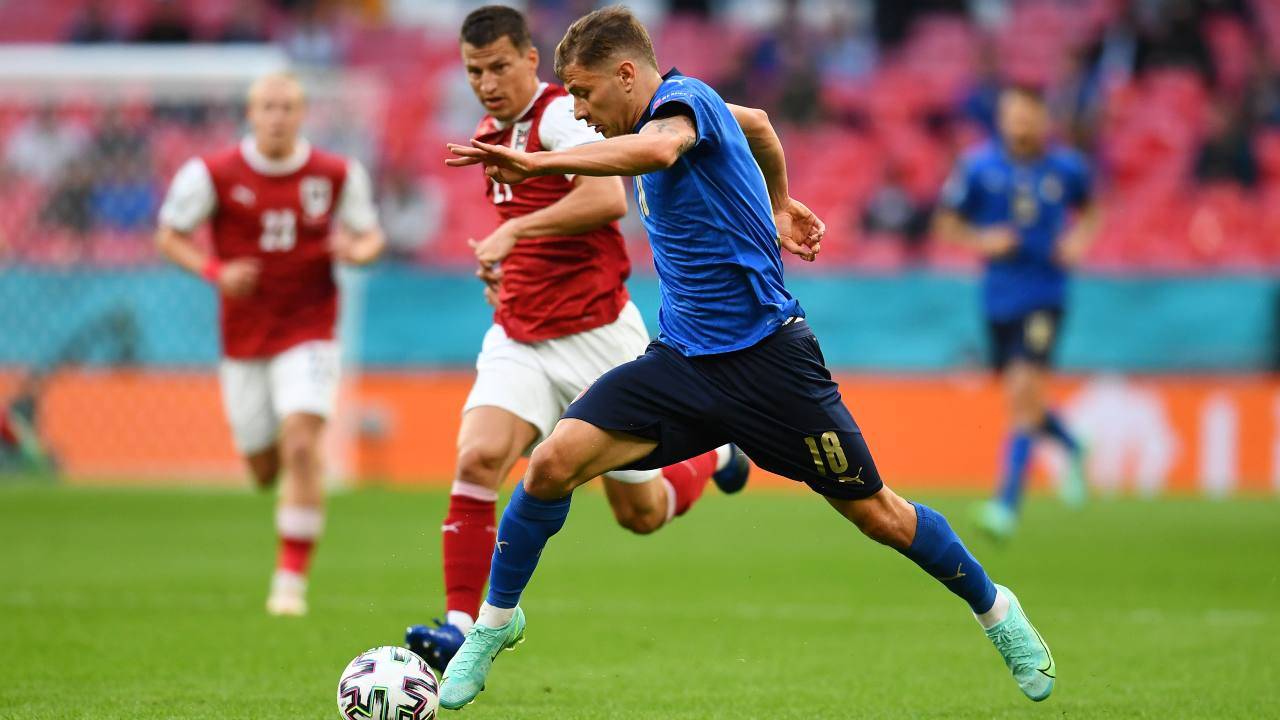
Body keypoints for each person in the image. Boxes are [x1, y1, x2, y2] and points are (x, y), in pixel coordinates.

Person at [438, 5, 1055, 709]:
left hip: (771, 364)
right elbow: (758, 122)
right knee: (550, 463)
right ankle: (492, 625)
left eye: (583, 92)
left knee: (878, 515)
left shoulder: (682, 104)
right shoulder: (691, 111)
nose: (577, 110)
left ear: (628, 74)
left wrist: (540, 160)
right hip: (681, 362)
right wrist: (783, 203)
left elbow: (660, 152)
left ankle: (994, 609)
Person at [404, 5, 748, 673]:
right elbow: (546, 226)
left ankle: (717, 457)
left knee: (640, 512)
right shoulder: (489, 131)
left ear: (530, 60)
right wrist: (504, 267)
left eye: (500, 65)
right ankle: (460, 625)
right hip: (521, 335)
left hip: (596, 333)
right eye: (475, 71)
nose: (487, 81)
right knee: (478, 459)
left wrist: (511, 234)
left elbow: (607, 203)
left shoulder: (562, 115)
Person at [155, 72, 384, 616]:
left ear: (302, 113)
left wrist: (356, 251)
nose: (277, 116)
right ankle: (289, 490)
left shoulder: (336, 173)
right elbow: (168, 234)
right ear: (250, 114)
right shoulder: (210, 174)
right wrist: (215, 269)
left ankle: (289, 583)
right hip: (245, 338)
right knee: (263, 469)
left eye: (287, 106)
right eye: (267, 107)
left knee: (302, 444)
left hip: (309, 328)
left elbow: (371, 235)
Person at [934, 86, 1100, 540]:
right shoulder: (978, 166)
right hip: (998, 298)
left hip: (1046, 294)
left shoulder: (1067, 167)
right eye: (1012, 114)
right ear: (1001, 118)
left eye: (1028, 114)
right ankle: (1072, 443)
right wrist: (983, 240)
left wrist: (1078, 241)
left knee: (1024, 393)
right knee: (1020, 399)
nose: (1020, 122)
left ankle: (1006, 505)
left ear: (1044, 119)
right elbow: (945, 222)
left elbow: (1091, 211)